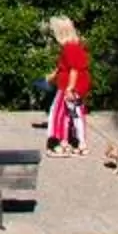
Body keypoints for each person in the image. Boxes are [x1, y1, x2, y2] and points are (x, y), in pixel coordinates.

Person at [45, 15, 92, 156]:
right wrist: (52, 76)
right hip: (79, 86)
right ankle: (80, 143)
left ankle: (57, 142)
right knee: (75, 114)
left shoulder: (69, 48)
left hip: (68, 86)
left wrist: (70, 88)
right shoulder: (75, 46)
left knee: (58, 113)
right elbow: (64, 67)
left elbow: (73, 69)